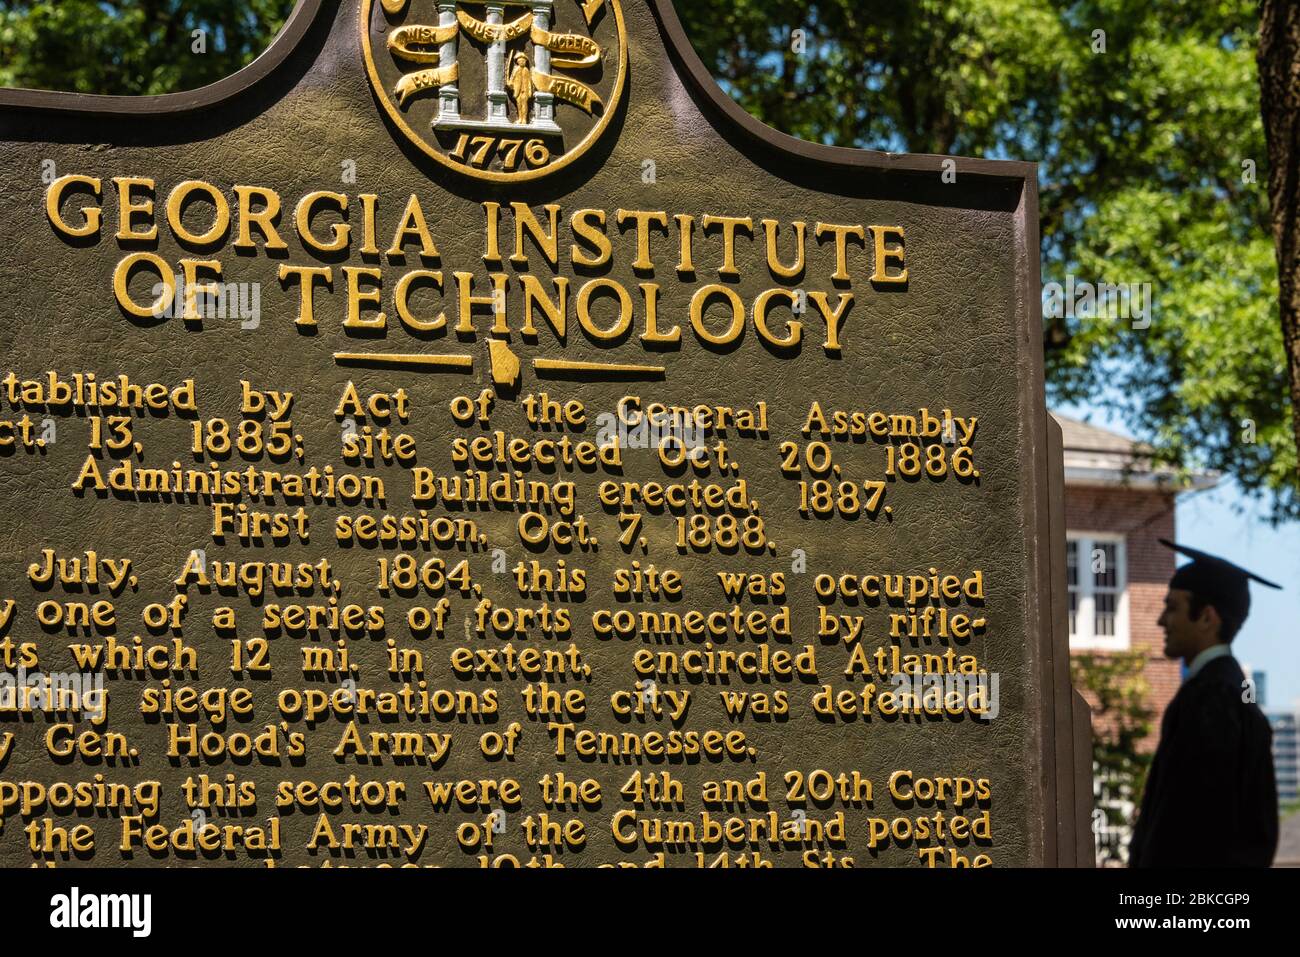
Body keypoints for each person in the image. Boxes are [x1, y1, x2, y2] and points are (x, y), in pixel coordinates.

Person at [1128, 540, 1280, 867]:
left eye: (1172, 607)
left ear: (1207, 618)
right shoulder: (1233, 692)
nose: (1160, 621)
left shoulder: (1212, 698)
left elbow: (1189, 829)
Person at [508, 51, 533, 125]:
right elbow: (512, 79)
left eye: (523, 61)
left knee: (524, 105)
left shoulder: (526, 70)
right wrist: (510, 84)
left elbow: (529, 82)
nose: (522, 62)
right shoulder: (516, 70)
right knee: (519, 104)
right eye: (520, 61)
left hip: (525, 91)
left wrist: (530, 91)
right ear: (518, 62)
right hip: (517, 91)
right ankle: (520, 118)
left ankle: (524, 119)